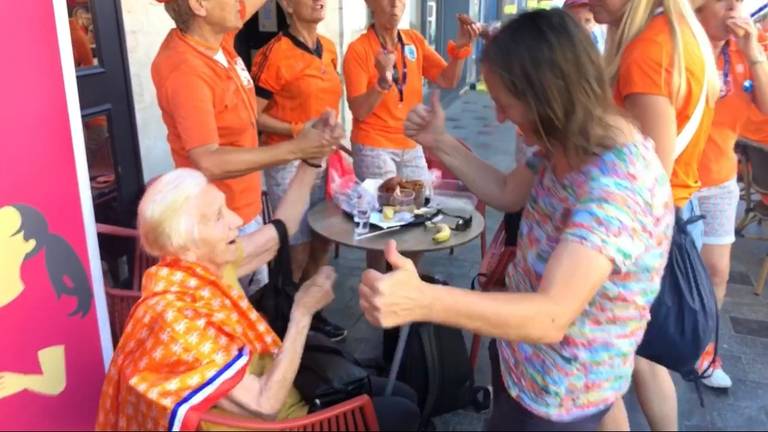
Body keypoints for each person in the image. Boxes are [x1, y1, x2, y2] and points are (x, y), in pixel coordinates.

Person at [359, 10, 675, 430]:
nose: (500, 119)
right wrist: (440, 142)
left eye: (506, 104)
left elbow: (550, 316)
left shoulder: (618, 186)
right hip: (522, 363)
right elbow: (509, 191)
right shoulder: (561, 140)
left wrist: (423, 301)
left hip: (562, 396)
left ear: (550, 96)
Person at [95, 167, 420, 431]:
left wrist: (309, 163)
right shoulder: (179, 321)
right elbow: (265, 406)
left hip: (289, 390)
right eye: (219, 216)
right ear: (187, 242)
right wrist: (302, 313)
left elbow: (279, 231)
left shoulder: (198, 269)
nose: (236, 220)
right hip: (287, 421)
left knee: (404, 393)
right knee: (403, 411)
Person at [151, 0, 342, 295]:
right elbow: (208, 160)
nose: (240, 4)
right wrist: (298, 147)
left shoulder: (216, 40)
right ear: (200, 5)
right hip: (219, 222)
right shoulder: (185, 68)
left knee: (258, 303)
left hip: (243, 208)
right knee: (242, 315)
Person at [590, 0, 719, 428]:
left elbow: (649, 179)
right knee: (643, 357)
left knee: (599, 370)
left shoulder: (648, 51)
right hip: (674, 217)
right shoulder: (675, 39)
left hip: (641, 229)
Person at [343, 0, 481, 271]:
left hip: (410, 142)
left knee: (420, 214)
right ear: (370, 3)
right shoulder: (358, 50)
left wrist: (462, 47)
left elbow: (447, 80)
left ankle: (404, 278)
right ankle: (377, 281)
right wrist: (383, 81)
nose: (395, 4)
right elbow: (359, 110)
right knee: (384, 220)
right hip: (374, 142)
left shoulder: (413, 41)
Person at [693, 0, 768, 389]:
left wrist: (754, 50)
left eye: (738, 2)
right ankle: (643, 344)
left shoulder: (747, 51)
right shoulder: (676, 45)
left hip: (719, 179)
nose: (734, 9)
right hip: (667, 179)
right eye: (726, 3)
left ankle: (703, 348)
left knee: (717, 271)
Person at [251, 0, 339, 290]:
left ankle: (311, 311)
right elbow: (253, 115)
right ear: (287, 5)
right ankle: (288, 315)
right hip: (288, 162)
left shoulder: (329, 47)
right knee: (296, 248)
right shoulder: (274, 53)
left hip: (325, 158)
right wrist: (296, 129)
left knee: (323, 237)